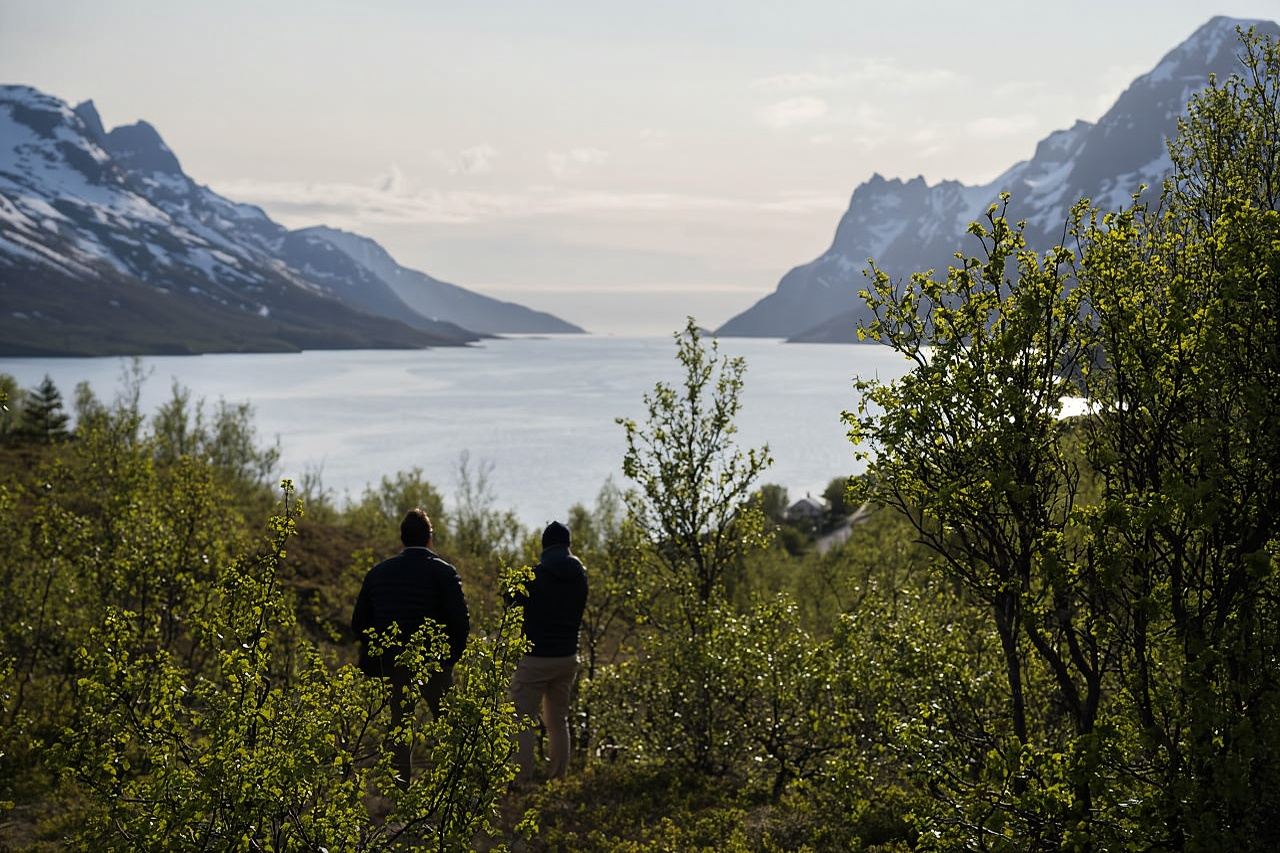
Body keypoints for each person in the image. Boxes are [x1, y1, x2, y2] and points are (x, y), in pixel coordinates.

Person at [351, 508, 469, 787]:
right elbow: (460, 621)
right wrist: (450, 657)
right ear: (430, 537)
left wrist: (379, 654)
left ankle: (400, 788)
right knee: (449, 722)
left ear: (402, 539)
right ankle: (456, 786)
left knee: (400, 724)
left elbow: (359, 623)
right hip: (434, 660)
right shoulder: (444, 572)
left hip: (393, 663)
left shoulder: (378, 573)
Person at [509, 520, 588, 782]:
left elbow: (511, 603)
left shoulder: (535, 576)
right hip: (567, 657)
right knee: (558, 720)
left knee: (521, 719)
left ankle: (521, 781)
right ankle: (558, 779)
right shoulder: (580, 575)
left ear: (544, 546)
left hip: (535, 658)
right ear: (568, 546)